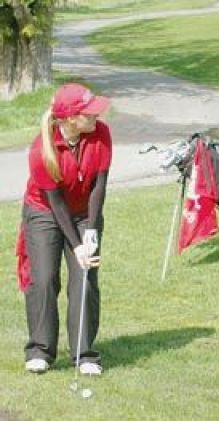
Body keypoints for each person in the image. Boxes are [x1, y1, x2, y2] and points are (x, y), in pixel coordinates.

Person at [16, 83, 112, 375]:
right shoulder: (40, 150)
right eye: (89, 113)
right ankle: (41, 351)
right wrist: (77, 244)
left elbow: (99, 187)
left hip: (86, 213)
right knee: (44, 278)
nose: (97, 116)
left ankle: (85, 355)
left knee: (84, 277)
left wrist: (91, 233)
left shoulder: (101, 133)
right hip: (44, 212)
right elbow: (56, 205)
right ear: (71, 118)